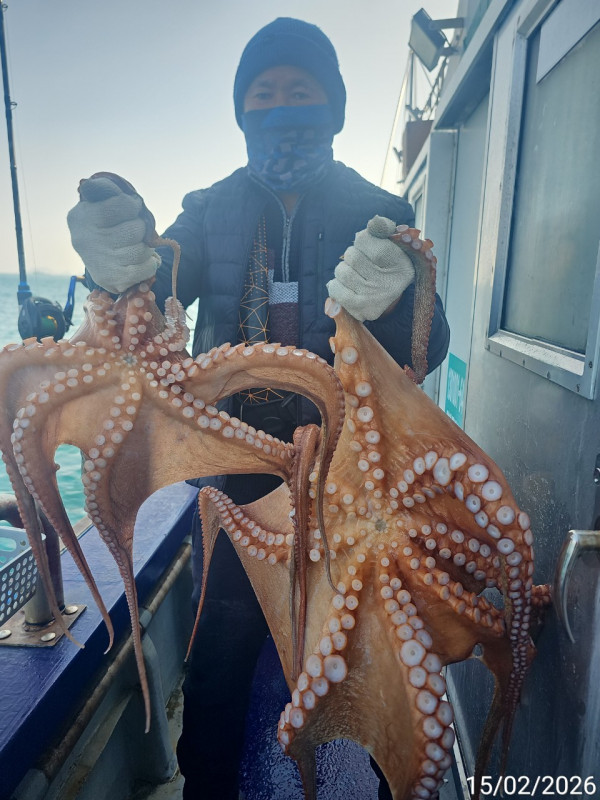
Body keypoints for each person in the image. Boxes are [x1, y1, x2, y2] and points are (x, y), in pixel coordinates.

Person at [68, 17, 450, 799]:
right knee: (223, 648)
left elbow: (427, 344)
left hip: (348, 475)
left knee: (365, 649)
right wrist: (114, 265)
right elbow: (152, 286)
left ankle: (373, 779)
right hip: (236, 474)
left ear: (333, 106)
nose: (281, 108)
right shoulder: (209, 209)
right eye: (264, 94)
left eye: (299, 91)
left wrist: (398, 298)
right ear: (242, 110)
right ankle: (209, 784)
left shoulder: (378, 208)